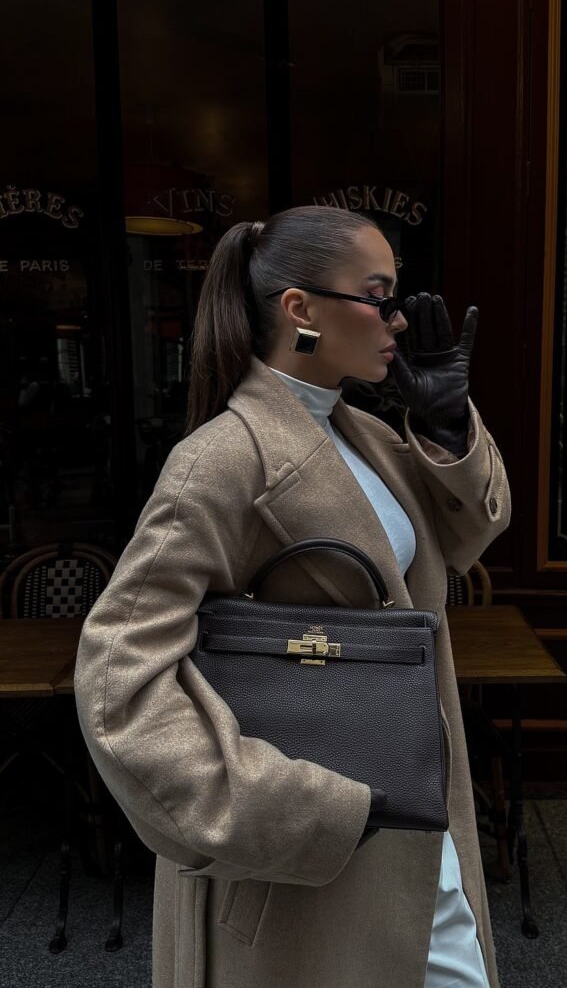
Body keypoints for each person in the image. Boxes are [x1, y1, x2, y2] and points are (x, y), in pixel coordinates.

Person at [74, 206, 511, 988]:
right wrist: (288, 808)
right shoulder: (219, 460)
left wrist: (444, 426)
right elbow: (117, 679)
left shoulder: (368, 435)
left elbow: (464, 538)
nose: (399, 318)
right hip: (300, 861)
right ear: (300, 310)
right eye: (377, 295)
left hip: (412, 816)